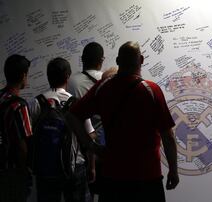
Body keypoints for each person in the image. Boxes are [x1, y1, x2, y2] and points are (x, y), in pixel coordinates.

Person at [70, 41, 179, 202]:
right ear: (141, 60)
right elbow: (167, 136)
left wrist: (91, 146)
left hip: (113, 176)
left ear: (118, 61)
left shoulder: (103, 87)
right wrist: (173, 170)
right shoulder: (151, 90)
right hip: (147, 176)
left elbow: (73, 116)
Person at [29, 57, 92, 202]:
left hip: (45, 167)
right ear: (68, 76)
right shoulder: (76, 104)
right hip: (74, 165)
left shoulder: (37, 102)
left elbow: (28, 135)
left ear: (48, 76)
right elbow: (90, 137)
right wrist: (92, 166)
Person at [67, 42, 116, 198]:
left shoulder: (72, 82)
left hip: (80, 149)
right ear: (101, 60)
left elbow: (72, 115)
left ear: (82, 59)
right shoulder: (110, 80)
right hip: (106, 147)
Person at [0, 54, 32, 202]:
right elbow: (22, 145)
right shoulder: (19, 105)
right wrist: (24, 170)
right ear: (23, 75)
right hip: (12, 172)